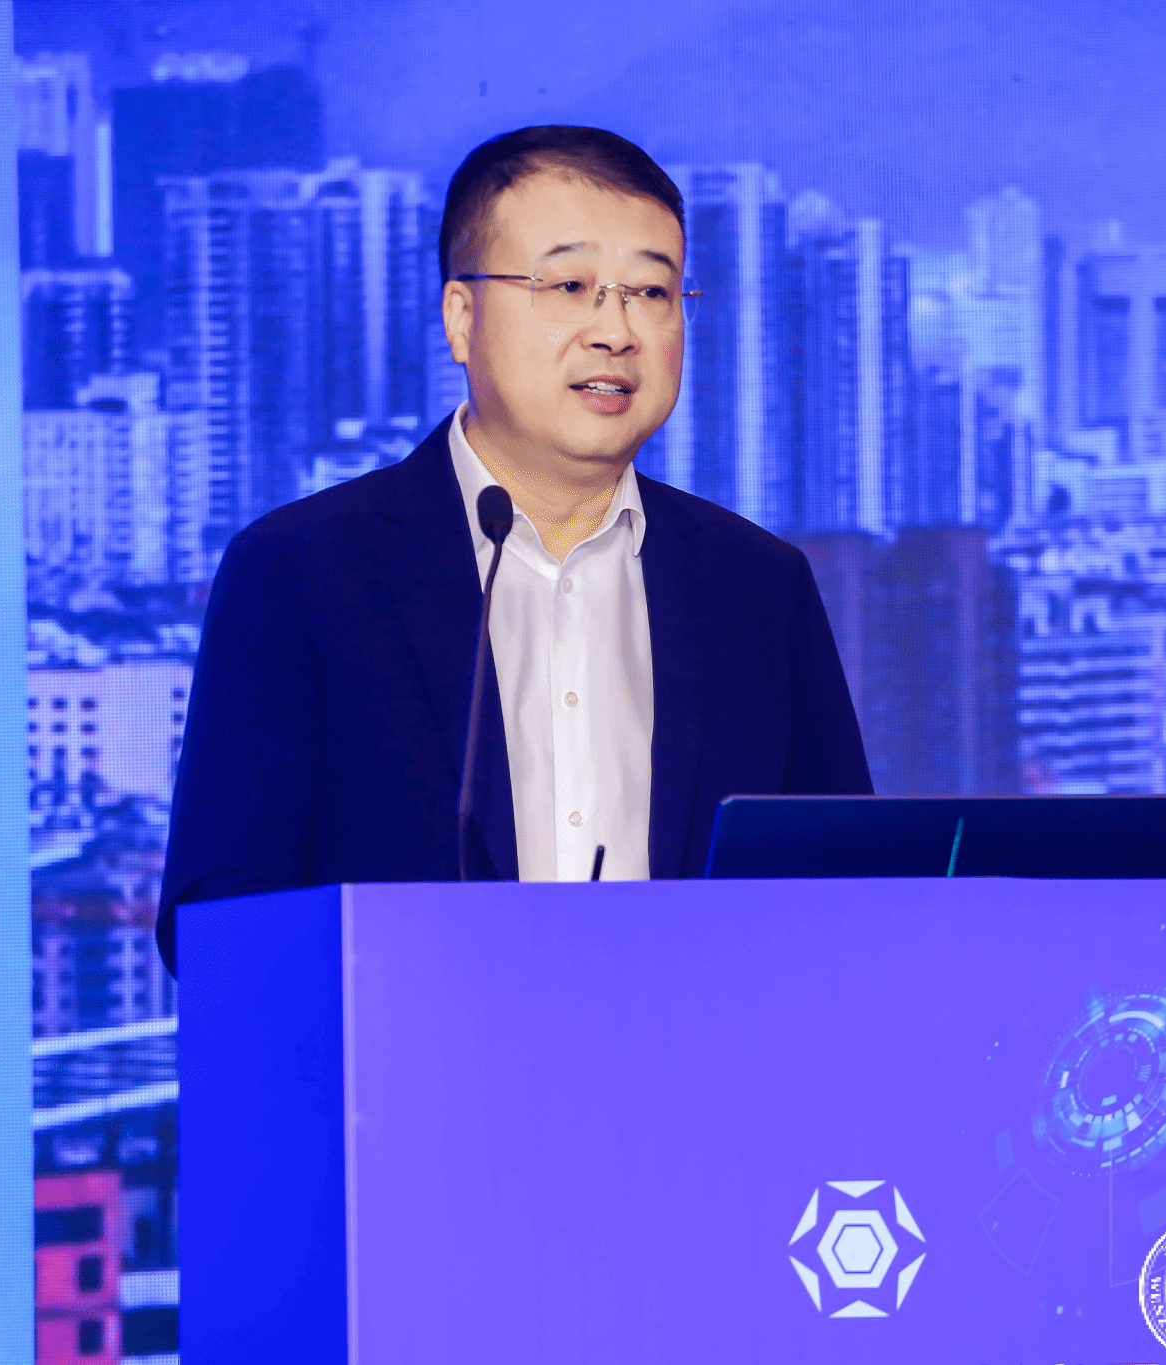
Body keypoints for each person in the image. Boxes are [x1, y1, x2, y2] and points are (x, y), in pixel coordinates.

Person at [157, 125, 871, 971]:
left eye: (652, 291)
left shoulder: (758, 587)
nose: (616, 330)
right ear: (462, 318)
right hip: (409, 1058)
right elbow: (221, 918)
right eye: (570, 285)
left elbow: (849, 896)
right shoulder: (302, 571)